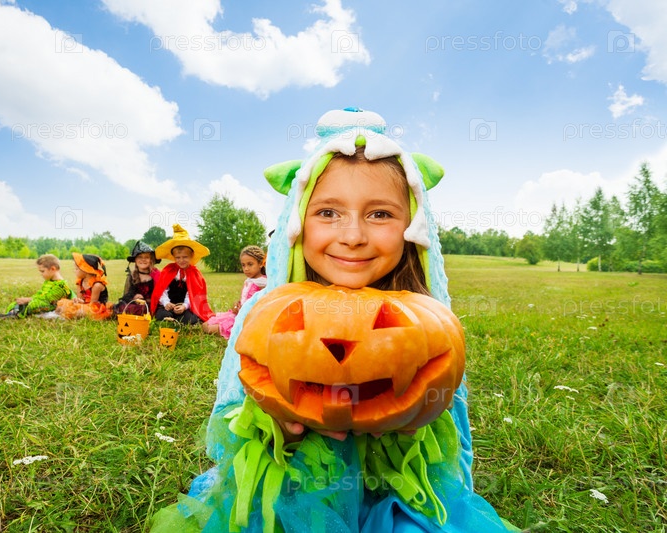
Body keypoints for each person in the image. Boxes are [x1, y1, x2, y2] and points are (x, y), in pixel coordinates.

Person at [151, 109, 518, 532]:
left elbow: (451, 431)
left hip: (394, 494)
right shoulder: (266, 311)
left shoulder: (426, 315)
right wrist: (280, 429)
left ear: (412, 225)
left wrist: (413, 427)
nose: (353, 236)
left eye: (379, 214)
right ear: (297, 222)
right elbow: (231, 418)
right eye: (328, 213)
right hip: (293, 491)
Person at [150, 224, 214, 325]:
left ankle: (180, 316)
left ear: (191, 256)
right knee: (163, 315)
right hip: (168, 305)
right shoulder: (169, 270)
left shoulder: (194, 273)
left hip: (184, 306)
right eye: (178, 257)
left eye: (185, 257)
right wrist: (166, 303)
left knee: (190, 320)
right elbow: (162, 290)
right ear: (174, 257)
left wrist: (184, 306)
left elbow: (194, 295)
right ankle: (170, 316)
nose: (181, 260)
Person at [202, 245, 267, 339]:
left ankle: (235, 331)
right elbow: (245, 299)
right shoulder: (249, 280)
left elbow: (264, 304)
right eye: (243, 265)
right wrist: (237, 304)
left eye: (250, 264)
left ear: (260, 264)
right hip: (239, 314)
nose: (246, 269)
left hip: (250, 318)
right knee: (206, 324)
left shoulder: (264, 282)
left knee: (209, 329)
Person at [0, 254, 73, 318]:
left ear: (53, 269)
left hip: (51, 305)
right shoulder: (48, 281)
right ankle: (12, 312)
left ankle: (17, 313)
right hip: (41, 301)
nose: (41, 274)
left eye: (42, 271)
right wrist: (28, 299)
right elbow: (40, 294)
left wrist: (29, 300)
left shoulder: (61, 285)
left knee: (35, 304)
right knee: (16, 303)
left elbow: (48, 299)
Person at [55, 252, 112, 320]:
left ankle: (68, 314)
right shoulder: (80, 282)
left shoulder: (97, 285)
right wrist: (77, 301)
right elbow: (80, 299)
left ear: (86, 270)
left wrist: (80, 306)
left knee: (80, 310)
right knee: (63, 303)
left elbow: (93, 305)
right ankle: (67, 313)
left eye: (76, 269)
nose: (74, 271)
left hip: (96, 308)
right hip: (85, 305)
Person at [110, 241, 161, 316]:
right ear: (135, 260)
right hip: (134, 303)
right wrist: (135, 297)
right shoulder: (132, 276)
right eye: (140, 257)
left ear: (151, 260)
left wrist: (145, 300)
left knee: (144, 309)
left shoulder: (156, 275)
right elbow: (127, 295)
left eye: (146, 257)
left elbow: (160, 295)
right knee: (122, 307)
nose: (143, 259)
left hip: (150, 305)